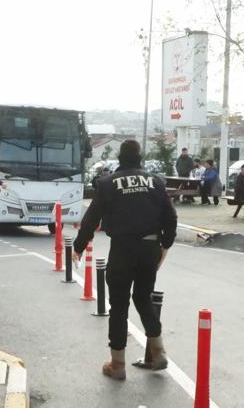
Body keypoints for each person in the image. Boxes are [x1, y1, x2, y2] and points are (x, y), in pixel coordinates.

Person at [72, 140, 177, 381]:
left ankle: (117, 364)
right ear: (140, 157)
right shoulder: (156, 182)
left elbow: (91, 219)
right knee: (143, 297)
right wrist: (165, 245)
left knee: (119, 306)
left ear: (120, 157)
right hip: (150, 247)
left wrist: (78, 248)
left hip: (122, 249)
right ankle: (159, 352)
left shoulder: (107, 184)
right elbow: (170, 217)